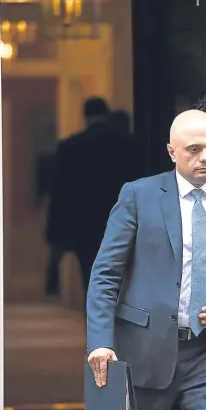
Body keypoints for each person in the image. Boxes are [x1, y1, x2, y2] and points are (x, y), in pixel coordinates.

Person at [86, 109, 206, 410]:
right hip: (146, 352)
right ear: (172, 152)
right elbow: (106, 274)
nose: (205, 157)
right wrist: (101, 341)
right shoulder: (138, 196)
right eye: (194, 150)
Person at [45, 97, 133, 306]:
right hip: (122, 223)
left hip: (84, 226)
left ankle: (98, 332)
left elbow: (61, 193)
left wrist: (55, 234)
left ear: (84, 116)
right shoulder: (127, 144)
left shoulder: (70, 147)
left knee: (91, 280)